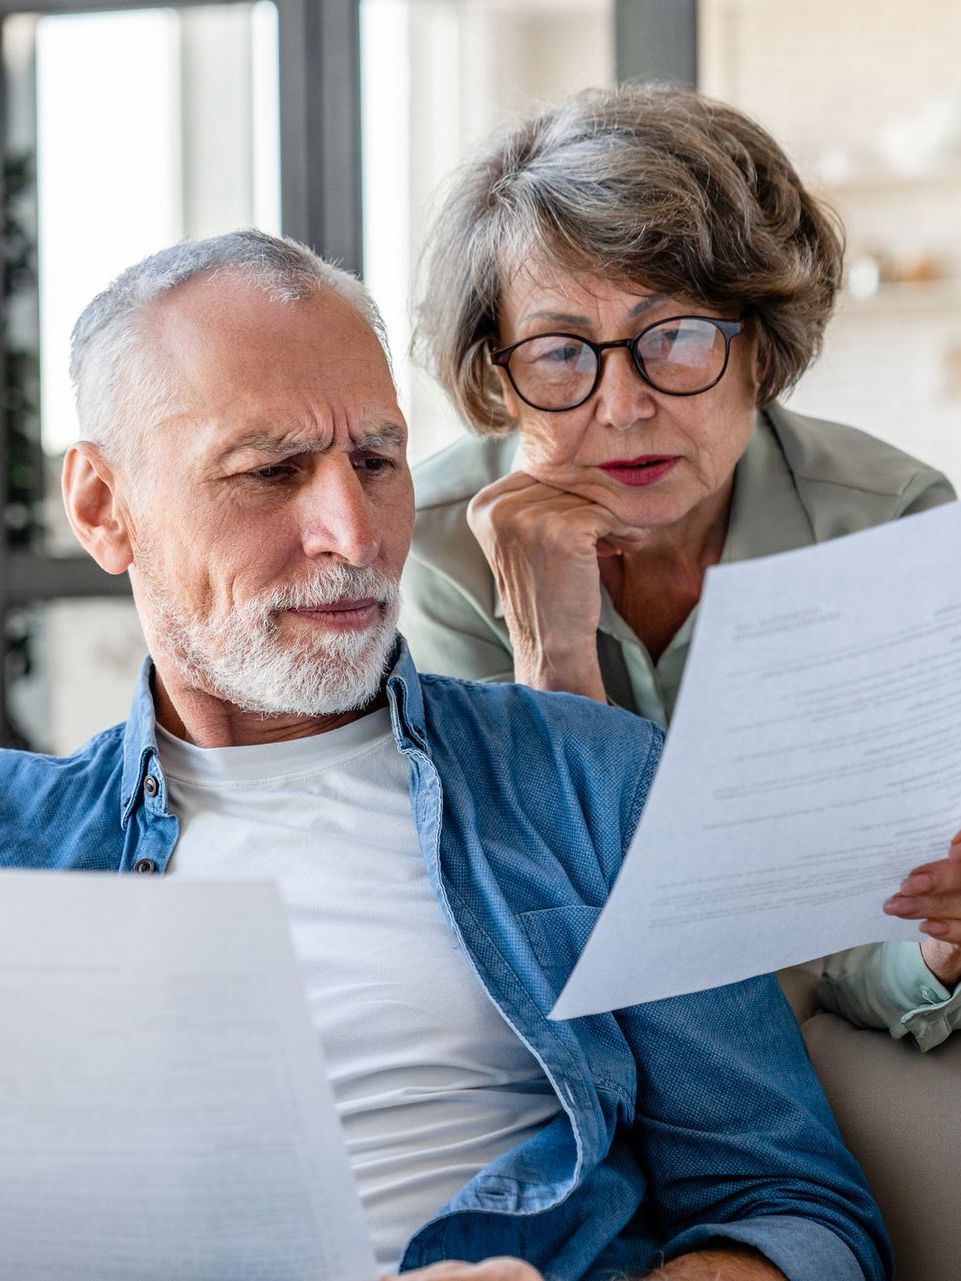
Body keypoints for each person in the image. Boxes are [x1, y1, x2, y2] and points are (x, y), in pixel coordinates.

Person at [0, 230, 889, 1281]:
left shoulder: (591, 782)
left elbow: (794, 1210)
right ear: (105, 508)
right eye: (271, 470)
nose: (354, 531)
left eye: (375, 460)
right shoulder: (25, 842)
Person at [403, 84, 961, 1052]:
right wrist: (554, 660)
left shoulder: (889, 525)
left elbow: (854, 942)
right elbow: (531, 936)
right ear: (498, 377)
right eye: (559, 353)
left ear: (762, 349)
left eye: (676, 338)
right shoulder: (439, 547)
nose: (621, 405)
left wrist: (937, 954)